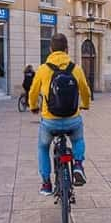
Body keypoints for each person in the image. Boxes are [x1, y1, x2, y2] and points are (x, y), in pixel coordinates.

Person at [29, 33, 91, 196]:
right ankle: (77, 164)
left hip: (50, 121)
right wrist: (85, 105)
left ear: (50, 49)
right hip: (72, 119)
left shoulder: (43, 69)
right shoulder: (75, 68)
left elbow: (33, 92)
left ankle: (46, 183)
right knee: (78, 139)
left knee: (43, 147)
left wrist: (33, 106)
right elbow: (85, 90)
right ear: (66, 49)